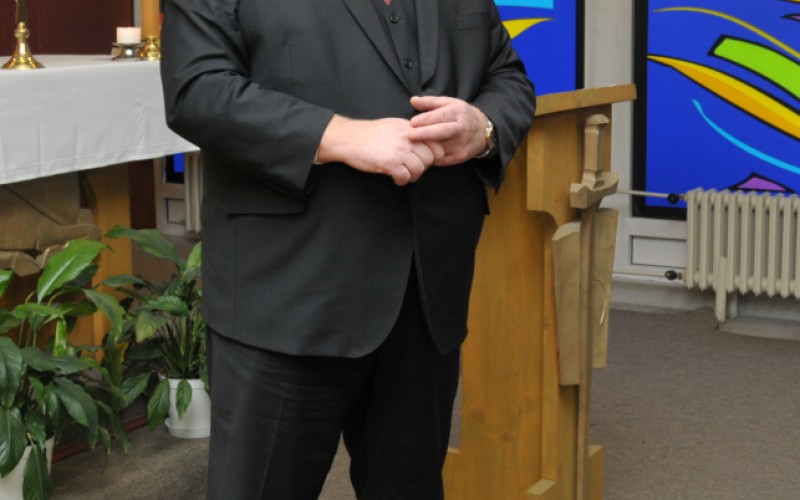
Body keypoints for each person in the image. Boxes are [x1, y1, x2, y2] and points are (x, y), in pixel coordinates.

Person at [160, 0, 535, 498]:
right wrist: (338, 134)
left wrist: (483, 127)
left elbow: (507, 76)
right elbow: (196, 89)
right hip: (287, 298)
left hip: (425, 299)